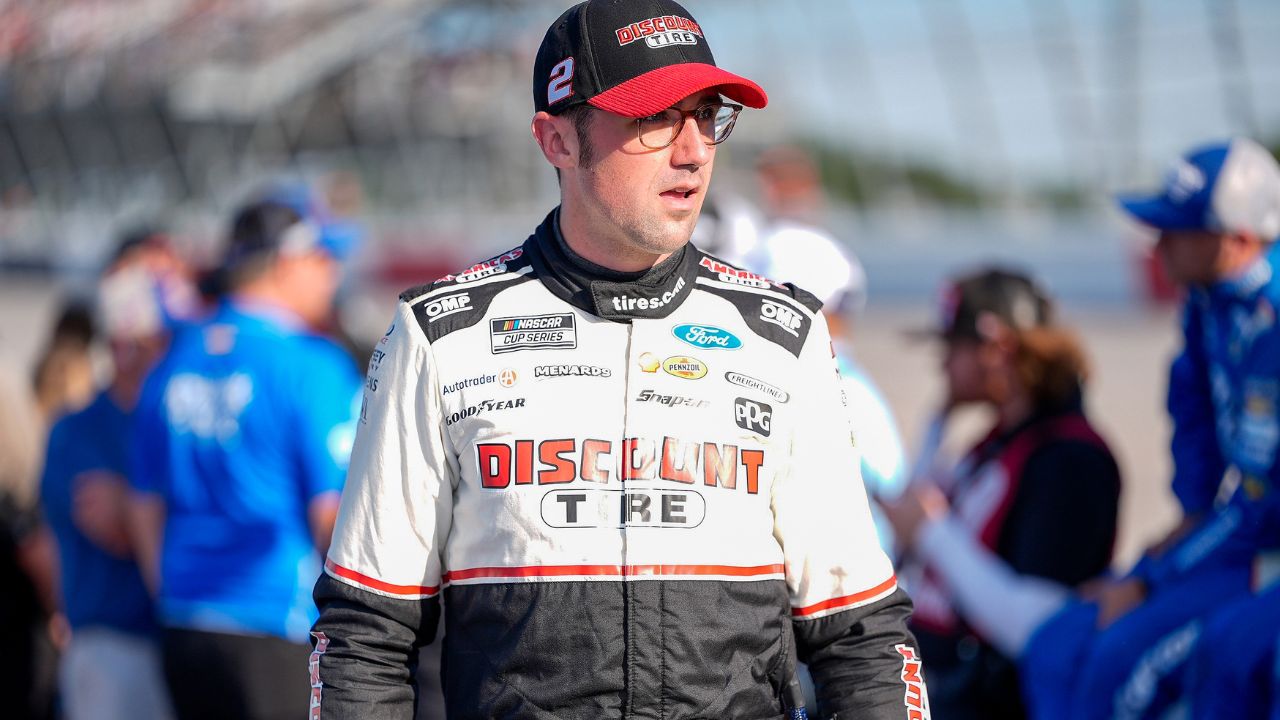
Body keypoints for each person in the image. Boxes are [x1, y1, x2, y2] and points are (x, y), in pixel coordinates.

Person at [309, 1, 929, 718]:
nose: (694, 149)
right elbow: (364, 636)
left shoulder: (783, 335)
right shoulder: (441, 334)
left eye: (709, 115)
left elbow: (863, 637)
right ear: (557, 140)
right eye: (655, 118)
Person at [883, 137, 1280, 719]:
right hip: (1239, 542)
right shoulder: (1206, 307)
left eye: (1178, 229)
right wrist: (1175, 543)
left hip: (1257, 553)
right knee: (1076, 649)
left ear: (1238, 239)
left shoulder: (1068, 458)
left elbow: (1255, 509)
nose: (1157, 244)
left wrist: (1151, 578)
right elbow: (1199, 448)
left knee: (1159, 662)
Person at [130, 197, 362, 720]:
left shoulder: (173, 360)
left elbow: (143, 504)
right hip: (274, 624)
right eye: (323, 258)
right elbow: (332, 517)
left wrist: (170, 592)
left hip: (183, 620)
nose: (334, 273)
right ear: (287, 262)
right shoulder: (312, 364)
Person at [881, 268, 1120, 720]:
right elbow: (912, 519)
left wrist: (932, 533)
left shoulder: (1068, 459)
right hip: (939, 682)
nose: (943, 364)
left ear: (997, 348)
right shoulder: (997, 443)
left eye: (953, 347)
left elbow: (1034, 626)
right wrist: (938, 421)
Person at [40, 234, 184, 720]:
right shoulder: (78, 432)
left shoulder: (179, 416)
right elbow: (120, 531)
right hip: (116, 651)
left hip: (185, 645)